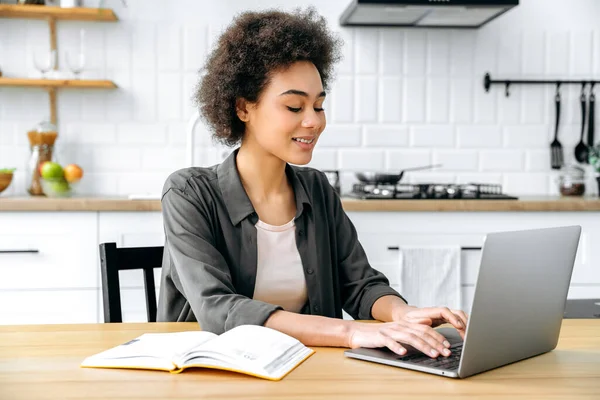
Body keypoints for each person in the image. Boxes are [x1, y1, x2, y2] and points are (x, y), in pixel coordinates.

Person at [157, 7, 468, 359]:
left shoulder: (316, 189)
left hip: (304, 364)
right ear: (244, 108)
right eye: (294, 107)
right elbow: (219, 308)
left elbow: (360, 283)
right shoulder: (189, 193)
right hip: (209, 370)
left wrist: (403, 314)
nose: (313, 122)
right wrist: (350, 331)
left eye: (318, 106)